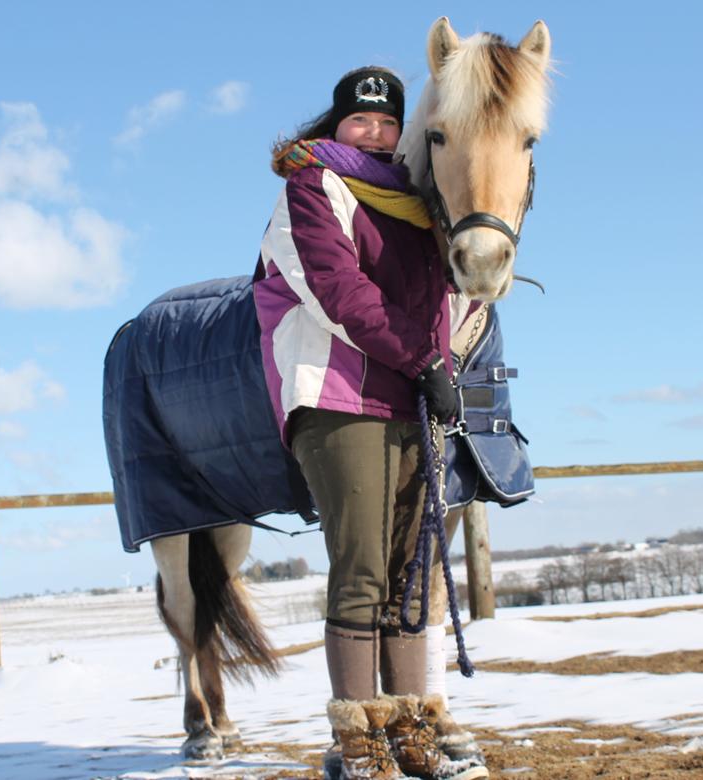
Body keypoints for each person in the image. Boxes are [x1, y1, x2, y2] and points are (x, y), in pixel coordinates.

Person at [253, 66, 486, 780]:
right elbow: (339, 290)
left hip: (411, 397)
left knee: (409, 577)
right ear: (334, 126)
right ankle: (356, 739)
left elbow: (445, 292)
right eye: (362, 121)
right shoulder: (312, 187)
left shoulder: (416, 203)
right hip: (338, 397)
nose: (377, 133)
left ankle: (410, 726)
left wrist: (453, 351)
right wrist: (427, 362)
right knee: (360, 572)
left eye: (389, 124)